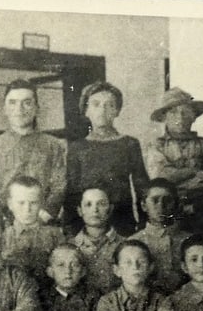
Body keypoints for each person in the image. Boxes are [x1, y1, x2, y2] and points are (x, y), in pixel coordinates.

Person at [63, 81, 149, 236]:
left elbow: (141, 186)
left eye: (109, 105)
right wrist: (70, 229)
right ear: (86, 110)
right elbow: (71, 192)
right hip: (88, 224)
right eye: (96, 104)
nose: (102, 110)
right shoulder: (77, 147)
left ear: (117, 111)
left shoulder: (129, 144)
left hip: (121, 221)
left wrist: (144, 225)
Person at [144, 87, 203, 241]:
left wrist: (182, 182)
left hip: (199, 213)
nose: (180, 118)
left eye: (185, 112)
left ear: (194, 116)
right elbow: (162, 177)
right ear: (164, 118)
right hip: (167, 213)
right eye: (173, 112)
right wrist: (197, 172)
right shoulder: (156, 146)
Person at [0, 79, 66, 221]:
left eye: (27, 102)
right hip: (5, 225)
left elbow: (59, 186)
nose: (19, 109)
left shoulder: (52, 145)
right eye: (12, 103)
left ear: (37, 108)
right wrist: (1, 221)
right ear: (4, 109)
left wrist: (43, 217)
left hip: (42, 223)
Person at [1, 175, 66, 285]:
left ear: (41, 203)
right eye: (21, 203)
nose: (27, 209)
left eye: (33, 202)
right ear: (10, 204)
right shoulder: (3, 236)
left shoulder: (54, 235)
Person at [128, 179, 190, 294]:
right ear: (144, 205)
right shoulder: (133, 242)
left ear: (176, 205)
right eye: (155, 200)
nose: (161, 205)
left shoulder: (188, 241)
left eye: (167, 200)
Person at [69, 187, 123, 296]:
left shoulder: (124, 245)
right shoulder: (70, 245)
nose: (95, 210)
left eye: (101, 204)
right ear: (80, 210)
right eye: (88, 204)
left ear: (110, 209)